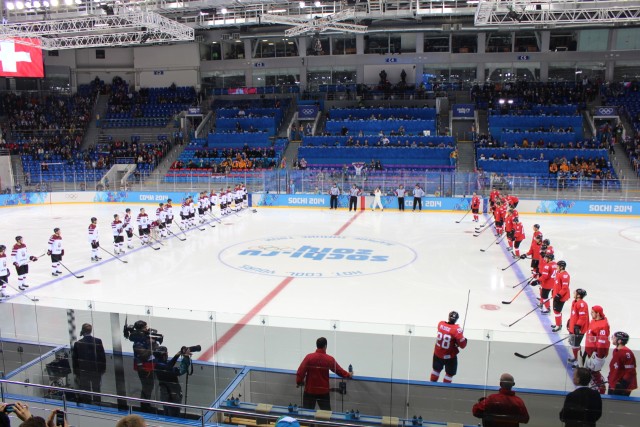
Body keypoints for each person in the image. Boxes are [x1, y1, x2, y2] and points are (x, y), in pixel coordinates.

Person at [296, 337, 353, 410]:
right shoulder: (329, 359)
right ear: (325, 346)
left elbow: (301, 371)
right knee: (326, 415)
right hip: (323, 392)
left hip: (310, 390)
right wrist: (348, 374)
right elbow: (339, 371)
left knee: (307, 414)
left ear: (317, 345)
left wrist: (299, 381)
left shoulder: (309, 357)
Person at [126, 320, 160, 412]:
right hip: (143, 368)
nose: (147, 328)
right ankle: (144, 407)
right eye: (145, 327)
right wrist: (152, 345)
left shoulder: (144, 338)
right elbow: (144, 355)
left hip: (149, 366)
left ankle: (147, 404)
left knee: (150, 387)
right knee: (146, 387)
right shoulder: (137, 343)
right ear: (140, 329)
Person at [72, 323, 106, 404]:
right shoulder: (98, 341)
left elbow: (75, 360)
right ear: (91, 330)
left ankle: (87, 404)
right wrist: (103, 369)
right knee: (96, 389)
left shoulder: (78, 343)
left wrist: (76, 372)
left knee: (85, 389)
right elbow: (102, 357)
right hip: (96, 371)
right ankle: (97, 404)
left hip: (83, 372)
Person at [153, 346, 192, 417]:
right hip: (173, 396)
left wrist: (177, 355)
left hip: (164, 394)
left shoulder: (156, 363)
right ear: (164, 355)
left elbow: (168, 365)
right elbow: (181, 370)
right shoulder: (165, 367)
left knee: (167, 414)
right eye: (166, 353)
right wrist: (186, 358)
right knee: (174, 416)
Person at [430, 311, 467, 383]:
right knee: (449, 374)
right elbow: (463, 345)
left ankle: (431, 385)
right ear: (456, 319)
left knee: (436, 370)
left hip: (438, 353)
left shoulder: (440, 324)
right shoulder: (457, 330)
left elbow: (446, 332)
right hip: (450, 356)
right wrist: (463, 340)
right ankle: (445, 389)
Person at [584, 305, 610, 394]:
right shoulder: (594, 321)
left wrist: (599, 357)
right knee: (590, 372)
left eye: (592, 312)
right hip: (591, 353)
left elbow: (602, 343)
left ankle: (601, 390)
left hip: (596, 354)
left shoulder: (603, 325)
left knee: (593, 373)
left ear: (598, 313)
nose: (590, 314)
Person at [607, 331, 637, 396]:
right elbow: (616, 366)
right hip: (614, 382)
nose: (612, 338)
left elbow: (630, 371)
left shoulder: (626, 353)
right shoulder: (616, 351)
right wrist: (610, 376)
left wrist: (622, 384)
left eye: (614, 337)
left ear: (619, 341)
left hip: (621, 387)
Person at [567, 288, 589, 367]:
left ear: (578, 295)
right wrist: (570, 322)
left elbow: (583, 317)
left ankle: (578, 361)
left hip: (579, 329)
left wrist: (577, 326)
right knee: (573, 344)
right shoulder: (575, 302)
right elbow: (574, 315)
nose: (573, 294)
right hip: (573, 328)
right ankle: (575, 357)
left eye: (575, 293)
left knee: (576, 345)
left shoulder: (582, 304)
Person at [552, 260, 571, 332]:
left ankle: (558, 326)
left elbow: (565, 288)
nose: (556, 267)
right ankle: (558, 323)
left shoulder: (565, 276)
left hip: (561, 297)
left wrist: (559, 295)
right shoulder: (558, 273)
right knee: (556, 310)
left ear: (561, 267)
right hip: (557, 295)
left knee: (557, 311)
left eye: (558, 266)